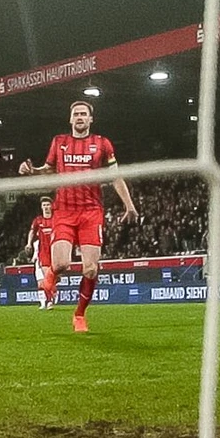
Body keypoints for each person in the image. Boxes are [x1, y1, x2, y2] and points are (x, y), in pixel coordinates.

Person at [18, 101, 138, 332]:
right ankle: (51, 275)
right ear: (70, 119)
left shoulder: (102, 144)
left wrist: (129, 206)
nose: (80, 117)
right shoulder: (59, 142)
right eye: (76, 114)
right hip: (63, 210)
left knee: (90, 269)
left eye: (84, 114)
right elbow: (49, 169)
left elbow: (115, 176)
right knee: (61, 263)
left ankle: (80, 314)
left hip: (91, 212)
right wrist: (32, 171)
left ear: (91, 119)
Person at [26, 196, 56, 310]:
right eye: (44, 205)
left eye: (48, 205)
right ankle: (49, 301)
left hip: (55, 251)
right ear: (41, 207)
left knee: (54, 278)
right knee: (46, 277)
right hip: (43, 253)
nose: (46, 207)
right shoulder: (38, 220)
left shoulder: (56, 219)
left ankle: (52, 295)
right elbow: (32, 232)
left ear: (51, 206)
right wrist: (29, 243)